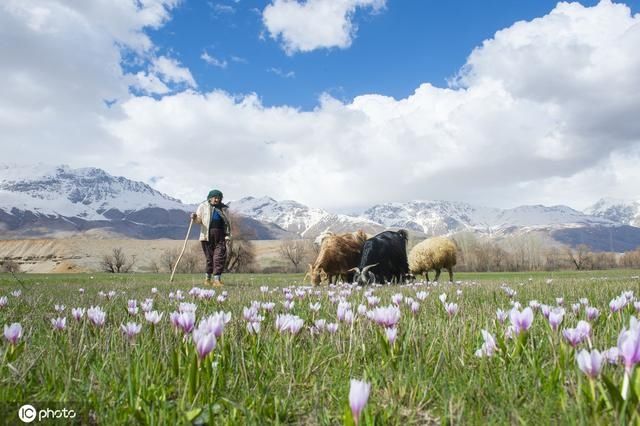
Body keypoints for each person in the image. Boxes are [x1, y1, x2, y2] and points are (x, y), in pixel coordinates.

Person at [191, 189, 231, 286]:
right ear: (210, 198)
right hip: (206, 235)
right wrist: (194, 217)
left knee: (219, 257)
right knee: (209, 258)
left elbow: (228, 223)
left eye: (219, 198)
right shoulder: (203, 206)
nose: (217, 200)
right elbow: (199, 220)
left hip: (220, 235)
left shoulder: (224, 208)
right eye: (215, 198)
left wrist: (227, 235)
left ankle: (217, 280)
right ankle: (207, 279)